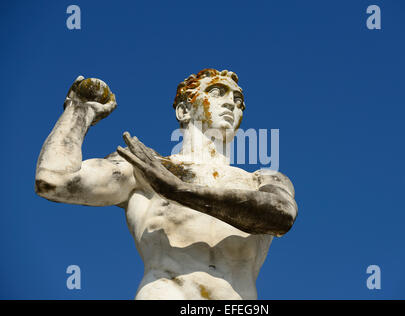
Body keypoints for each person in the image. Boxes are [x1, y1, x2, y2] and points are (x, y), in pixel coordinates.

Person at [35, 68, 298, 299]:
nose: (231, 103)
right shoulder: (143, 168)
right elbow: (54, 180)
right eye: (218, 92)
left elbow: (281, 216)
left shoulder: (262, 180)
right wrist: (79, 111)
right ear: (184, 110)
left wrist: (178, 191)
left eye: (238, 99)